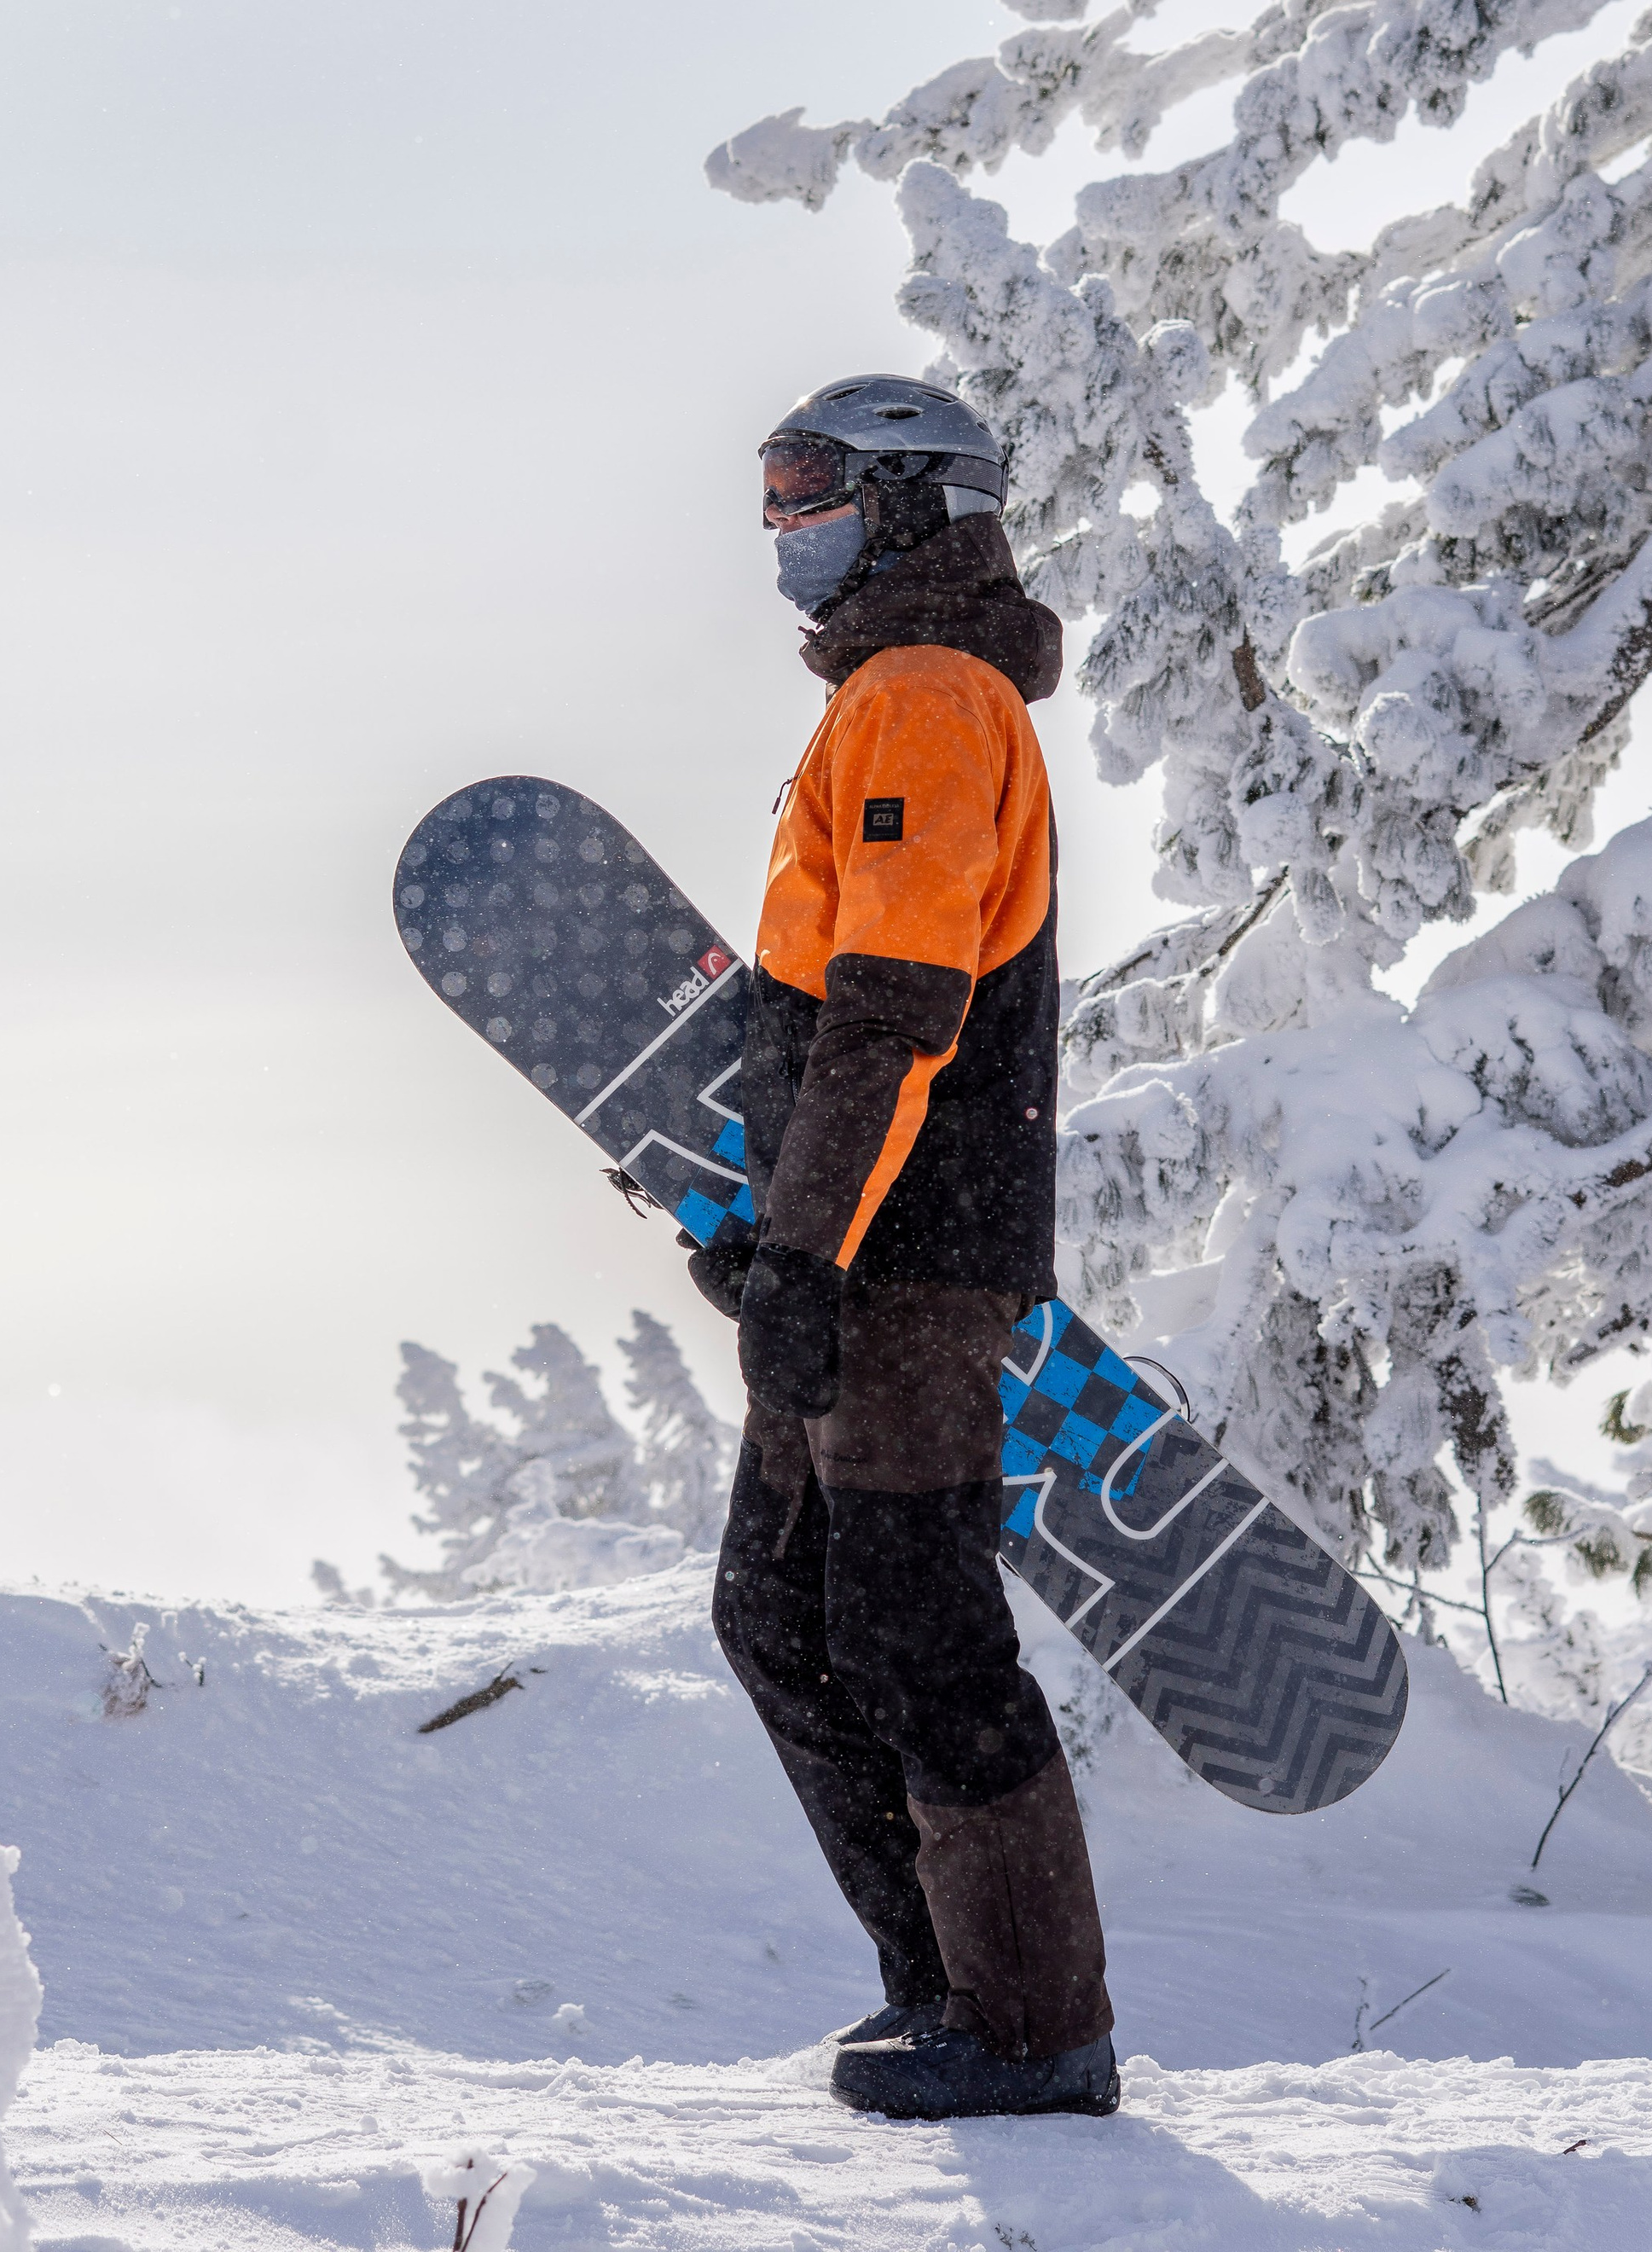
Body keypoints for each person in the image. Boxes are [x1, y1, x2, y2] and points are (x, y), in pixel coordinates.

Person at [692, 374, 1117, 2123]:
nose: (783, 525)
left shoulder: (930, 701)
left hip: (904, 1255)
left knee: (908, 1622)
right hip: (848, 1238)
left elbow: (892, 1010)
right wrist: (762, 1218)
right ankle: (946, 1988)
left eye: (813, 491)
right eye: (774, 491)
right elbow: (817, 1013)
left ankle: (1028, 2031)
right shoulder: (882, 697)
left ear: (916, 503)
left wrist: (805, 1251)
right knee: (779, 1615)